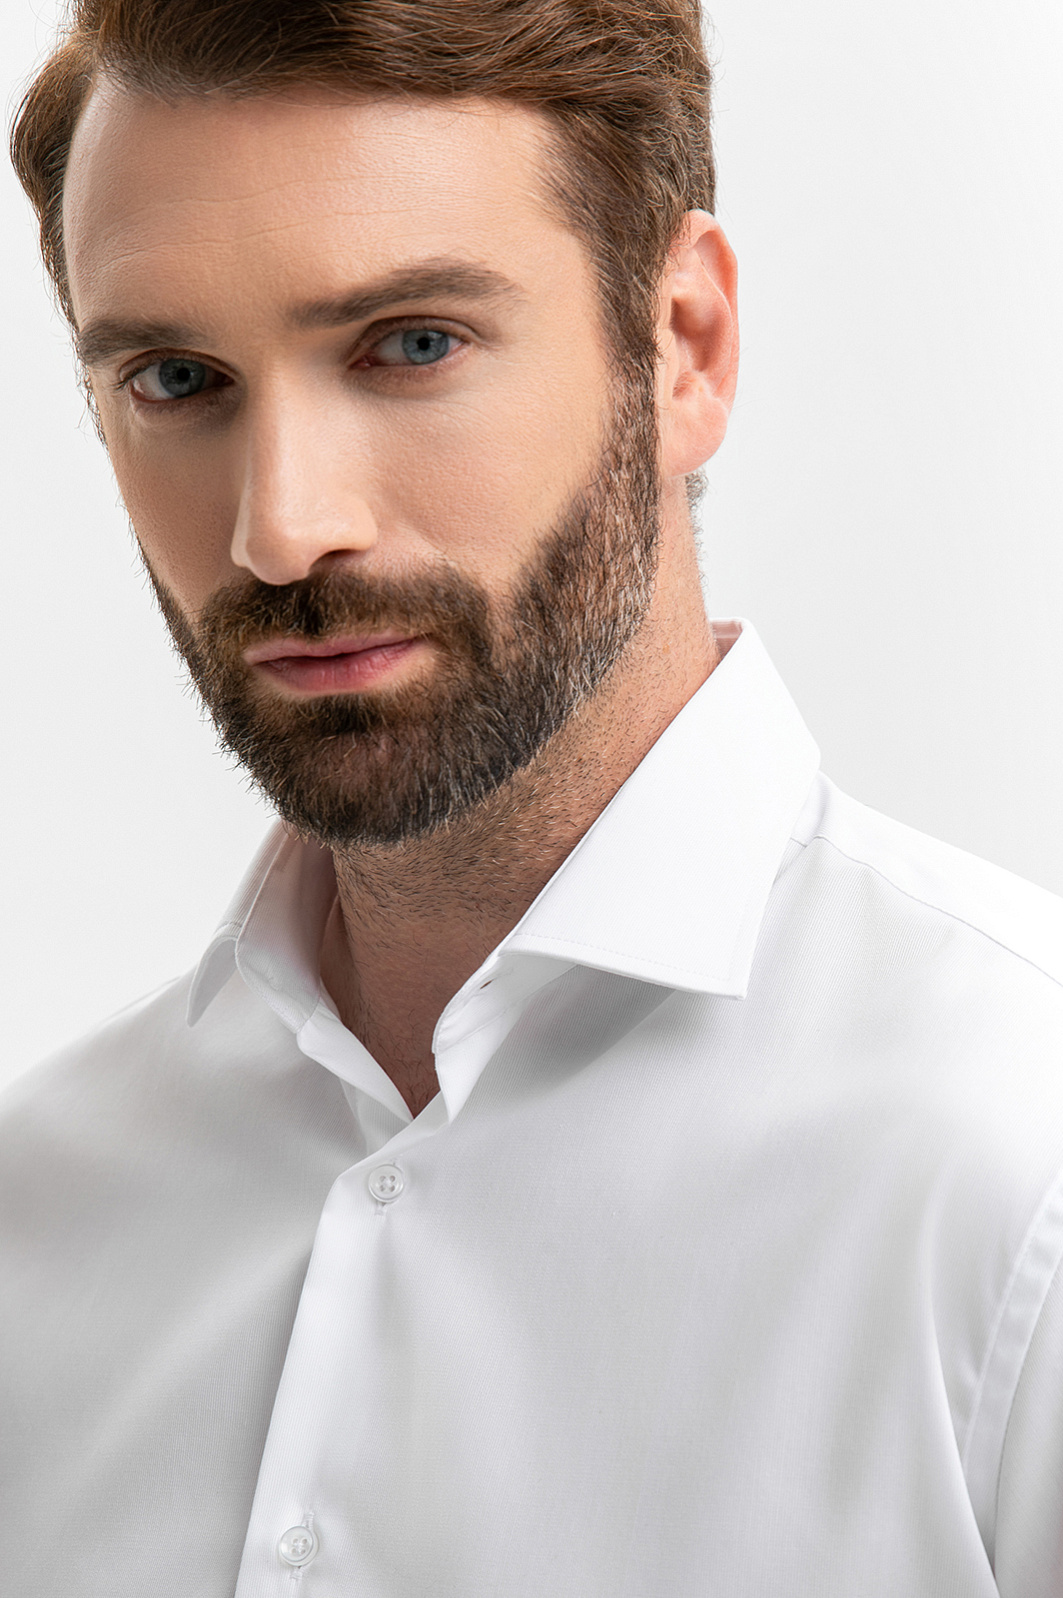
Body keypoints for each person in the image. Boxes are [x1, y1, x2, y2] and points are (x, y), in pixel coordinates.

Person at [3, 0, 1063, 1592]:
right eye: (176, 377)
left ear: (684, 344)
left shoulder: (1021, 1171)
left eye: (412, 344)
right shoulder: (38, 1216)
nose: (280, 526)